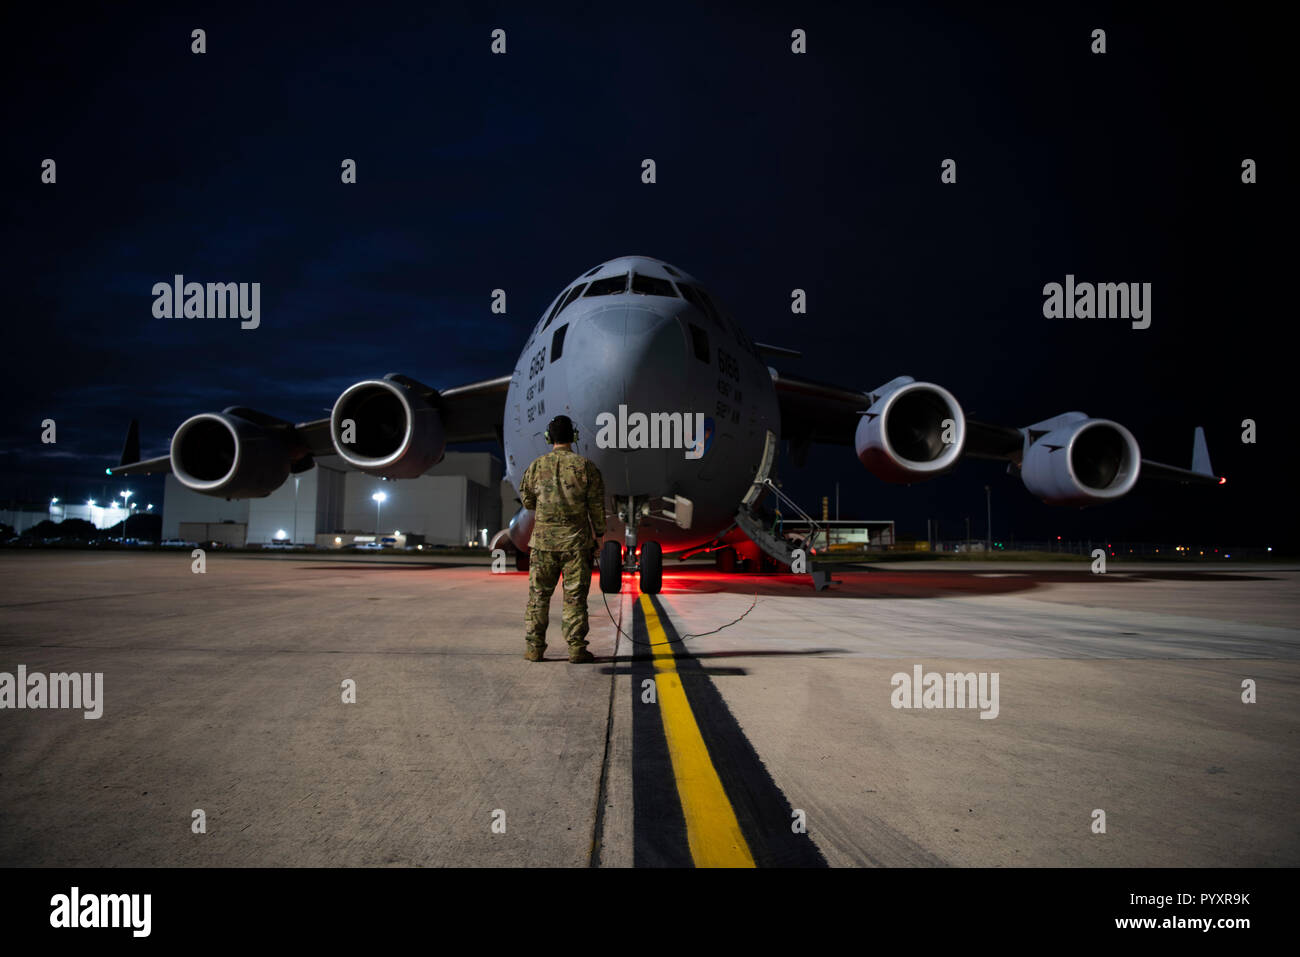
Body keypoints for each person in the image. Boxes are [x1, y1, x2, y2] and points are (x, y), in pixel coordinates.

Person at [518, 414, 606, 663]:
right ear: (574, 437)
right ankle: (577, 649)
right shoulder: (586, 467)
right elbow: (596, 506)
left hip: (543, 545)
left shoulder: (535, 466)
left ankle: (534, 648)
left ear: (549, 438)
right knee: (575, 599)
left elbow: (527, 501)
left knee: (538, 598)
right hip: (576, 545)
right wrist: (599, 534)